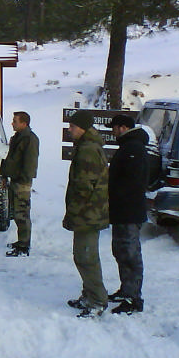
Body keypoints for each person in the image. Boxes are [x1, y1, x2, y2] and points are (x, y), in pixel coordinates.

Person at [63, 110, 110, 318]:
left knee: (86, 257)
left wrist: (73, 212)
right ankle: (89, 295)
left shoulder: (88, 149)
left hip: (88, 214)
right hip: (88, 212)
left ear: (82, 127)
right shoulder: (86, 146)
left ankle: (97, 300)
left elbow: (84, 187)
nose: (70, 130)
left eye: (72, 126)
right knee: (84, 255)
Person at [107, 114, 148, 314]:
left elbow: (132, 181)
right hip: (121, 211)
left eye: (114, 128)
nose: (112, 132)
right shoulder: (128, 146)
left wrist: (117, 196)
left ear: (123, 127)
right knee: (121, 252)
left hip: (129, 212)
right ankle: (126, 289)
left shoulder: (134, 148)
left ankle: (134, 299)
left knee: (130, 254)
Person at [1, 111, 40, 257]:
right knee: (16, 213)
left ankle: (24, 245)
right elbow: (11, 158)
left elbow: (31, 162)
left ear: (24, 123)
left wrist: (24, 179)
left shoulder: (30, 139)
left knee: (22, 213)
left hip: (22, 181)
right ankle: (21, 241)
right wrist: (5, 174)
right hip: (15, 179)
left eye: (15, 121)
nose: (12, 123)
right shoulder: (17, 137)